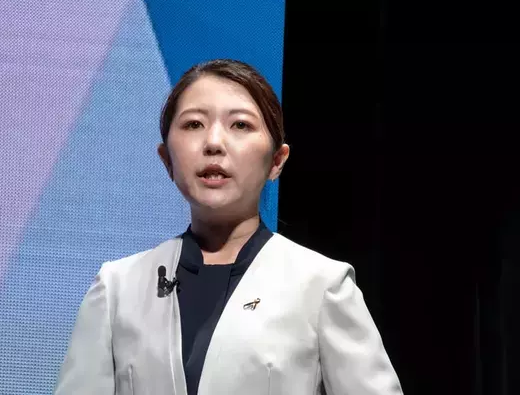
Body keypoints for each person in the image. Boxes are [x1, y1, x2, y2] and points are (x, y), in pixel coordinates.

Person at [54, 59, 403, 394]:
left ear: (277, 161)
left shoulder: (322, 286)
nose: (213, 143)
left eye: (240, 125)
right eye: (194, 124)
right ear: (167, 159)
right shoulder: (117, 288)